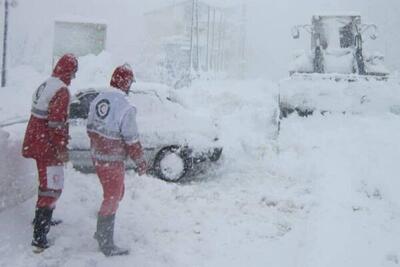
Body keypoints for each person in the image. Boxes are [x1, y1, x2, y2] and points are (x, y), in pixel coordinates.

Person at [86, 63, 147, 256]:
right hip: (112, 160)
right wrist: (140, 160)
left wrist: (99, 145)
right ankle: (105, 242)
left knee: (116, 194)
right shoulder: (126, 106)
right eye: (130, 83)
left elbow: (90, 127)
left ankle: (101, 232)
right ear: (126, 83)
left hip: (98, 157)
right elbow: (132, 139)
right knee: (112, 197)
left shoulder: (98, 98)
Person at [22, 53, 78, 252]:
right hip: (47, 145)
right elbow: (56, 124)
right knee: (52, 186)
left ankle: (43, 217)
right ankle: (40, 235)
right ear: (69, 71)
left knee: (46, 183)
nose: (74, 77)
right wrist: (61, 148)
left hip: (36, 140)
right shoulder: (61, 91)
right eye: (73, 72)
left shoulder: (47, 84)